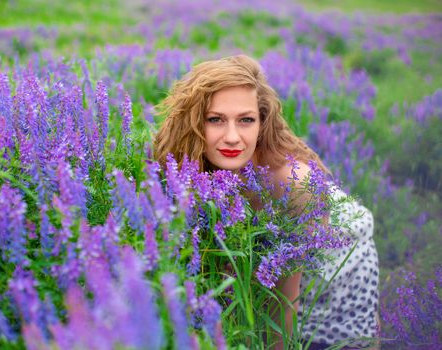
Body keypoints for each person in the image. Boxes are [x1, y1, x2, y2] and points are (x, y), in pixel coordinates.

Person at [153, 54, 379, 349]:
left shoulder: (292, 183)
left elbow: (282, 309)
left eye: (246, 120)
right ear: (195, 122)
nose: (232, 137)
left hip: (331, 287)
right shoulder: (189, 161)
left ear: (262, 122)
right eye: (216, 119)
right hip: (264, 274)